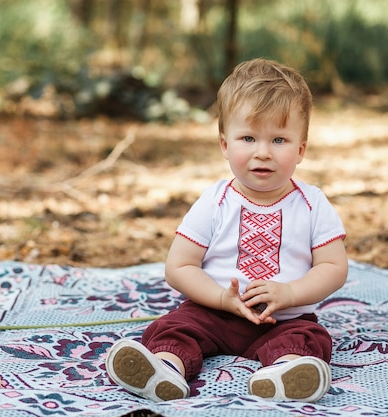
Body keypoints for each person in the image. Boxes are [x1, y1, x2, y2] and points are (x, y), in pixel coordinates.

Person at [106, 58, 348, 403]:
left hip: (282, 318)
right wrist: (221, 298)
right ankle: (165, 369)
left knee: (310, 338)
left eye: (279, 140)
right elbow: (179, 266)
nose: (262, 152)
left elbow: (333, 267)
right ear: (224, 144)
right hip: (212, 311)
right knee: (174, 327)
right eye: (248, 138)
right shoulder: (215, 201)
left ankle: (287, 372)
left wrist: (291, 294)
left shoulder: (312, 204)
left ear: (301, 150)